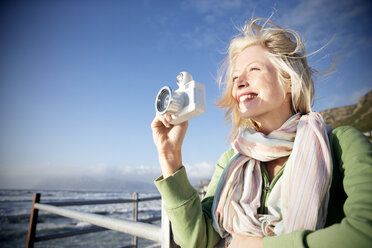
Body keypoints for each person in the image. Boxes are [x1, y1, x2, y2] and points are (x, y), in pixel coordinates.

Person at [151, 18, 372, 248]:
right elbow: (196, 239)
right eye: (235, 78)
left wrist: (258, 245)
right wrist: (170, 156)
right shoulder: (230, 161)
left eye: (253, 69)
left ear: (288, 80)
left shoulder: (341, 144)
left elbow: (365, 233)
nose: (239, 84)